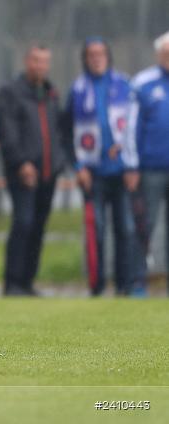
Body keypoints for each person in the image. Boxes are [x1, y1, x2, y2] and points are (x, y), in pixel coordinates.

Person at [62, 38, 136, 296]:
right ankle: (97, 285)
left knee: (125, 229)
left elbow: (133, 126)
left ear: (108, 56)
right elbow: (66, 130)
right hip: (92, 174)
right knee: (97, 231)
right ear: (85, 58)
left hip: (122, 171)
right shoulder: (78, 89)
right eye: (91, 54)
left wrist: (131, 165)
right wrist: (78, 166)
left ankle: (125, 285)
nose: (97, 58)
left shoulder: (124, 84)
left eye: (101, 54)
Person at [0, 44, 67, 296]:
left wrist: (59, 162)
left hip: (48, 173)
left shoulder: (50, 93)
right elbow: (6, 132)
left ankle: (27, 281)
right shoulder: (10, 92)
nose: (40, 66)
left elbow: (59, 130)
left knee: (38, 226)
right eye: (36, 60)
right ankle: (12, 281)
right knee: (23, 223)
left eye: (45, 61)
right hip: (22, 173)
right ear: (27, 61)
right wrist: (21, 162)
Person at [127, 32, 169, 296]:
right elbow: (131, 128)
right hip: (150, 168)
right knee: (145, 224)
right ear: (158, 54)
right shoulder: (143, 83)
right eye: (165, 52)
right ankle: (137, 280)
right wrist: (132, 165)